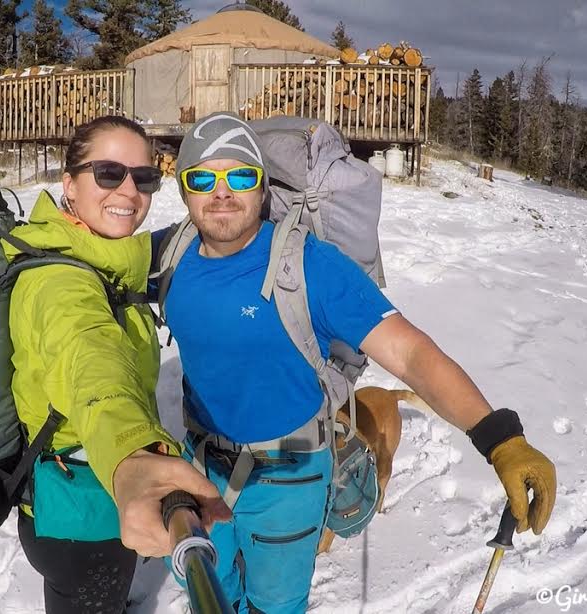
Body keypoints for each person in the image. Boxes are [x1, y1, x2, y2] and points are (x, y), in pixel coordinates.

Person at [141, 112, 558, 613]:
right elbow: (87, 270)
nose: (222, 192)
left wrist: (499, 437)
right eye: (203, 177)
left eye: (241, 175)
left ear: (264, 186)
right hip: (199, 469)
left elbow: (409, 353)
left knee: (275, 605)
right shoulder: (168, 254)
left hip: (288, 478)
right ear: (184, 189)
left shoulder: (311, 266)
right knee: (211, 594)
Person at [2, 115, 229, 614]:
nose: (129, 189)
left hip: (66, 500)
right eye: (108, 173)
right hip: (84, 515)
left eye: (144, 177)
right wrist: (134, 458)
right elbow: (92, 364)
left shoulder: (97, 256)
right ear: (69, 185)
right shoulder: (61, 284)